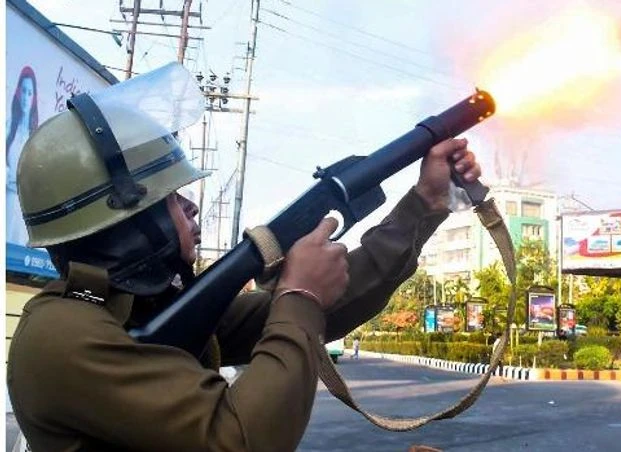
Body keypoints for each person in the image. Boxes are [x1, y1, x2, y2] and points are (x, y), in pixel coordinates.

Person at [7, 69, 482, 451]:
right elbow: (242, 438)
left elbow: (331, 304)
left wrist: (425, 201)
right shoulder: (64, 336)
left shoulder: (134, 309)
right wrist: (298, 295)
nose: (190, 206)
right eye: (170, 199)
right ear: (127, 225)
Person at [5, 66, 39, 245]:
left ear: (34, 97)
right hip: (7, 202)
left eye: (30, 93)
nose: (26, 97)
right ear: (18, 93)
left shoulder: (37, 137)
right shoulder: (8, 128)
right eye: (23, 91)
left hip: (25, 211)